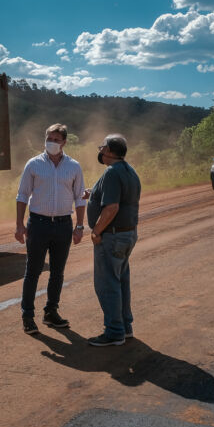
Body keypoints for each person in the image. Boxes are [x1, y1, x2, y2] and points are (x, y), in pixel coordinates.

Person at [15, 123, 86, 335]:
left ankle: (51, 312)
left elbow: (80, 198)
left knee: (57, 272)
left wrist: (80, 226)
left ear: (64, 142)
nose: (52, 143)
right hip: (38, 224)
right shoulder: (33, 164)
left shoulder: (74, 166)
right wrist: (19, 224)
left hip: (64, 225)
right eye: (49, 139)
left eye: (56, 140)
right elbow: (22, 195)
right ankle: (28, 315)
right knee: (33, 271)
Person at [85, 134, 141, 347]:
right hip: (127, 235)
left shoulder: (111, 173)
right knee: (121, 281)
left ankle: (114, 332)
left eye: (102, 147)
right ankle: (125, 327)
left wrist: (96, 232)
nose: (100, 151)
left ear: (109, 151)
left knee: (107, 284)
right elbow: (119, 198)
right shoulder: (129, 171)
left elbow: (112, 207)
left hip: (112, 236)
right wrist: (93, 195)